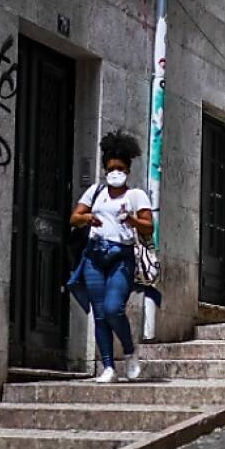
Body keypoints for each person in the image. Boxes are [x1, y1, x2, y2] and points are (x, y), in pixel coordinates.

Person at [68, 130, 154, 383]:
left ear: (127, 170)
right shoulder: (96, 192)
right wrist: (86, 218)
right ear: (105, 169)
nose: (115, 172)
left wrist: (132, 219)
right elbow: (74, 217)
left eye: (120, 168)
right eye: (111, 167)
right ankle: (107, 367)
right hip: (94, 256)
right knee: (99, 314)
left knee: (113, 308)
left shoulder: (135, 195)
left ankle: (129, 352)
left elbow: (149, 227)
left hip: (121, 257)